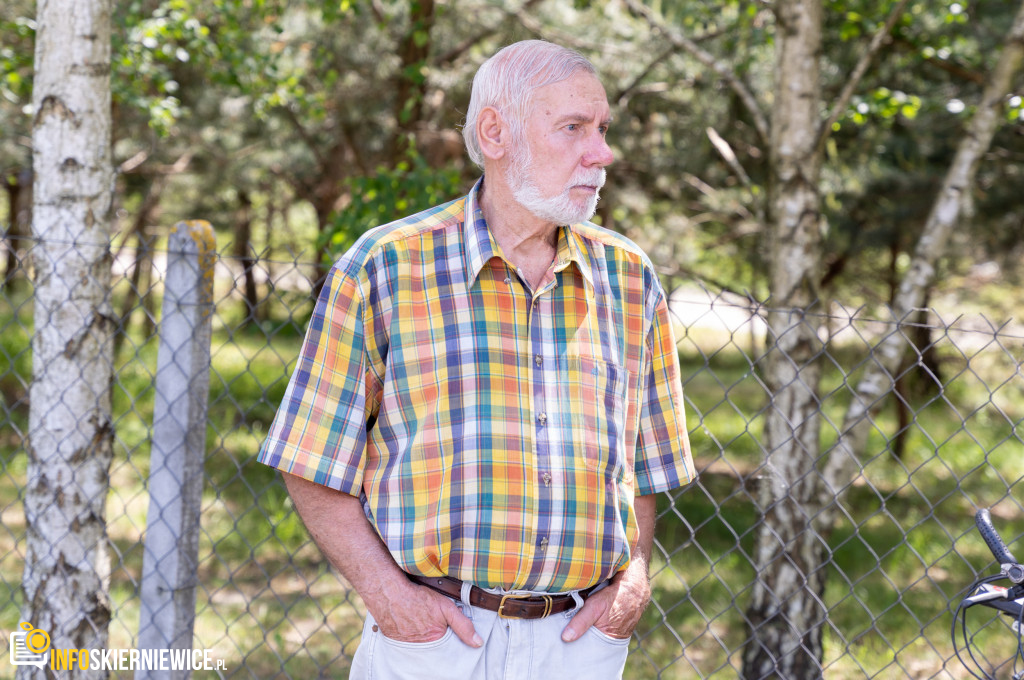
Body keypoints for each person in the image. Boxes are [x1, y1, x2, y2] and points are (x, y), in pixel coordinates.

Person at [258, 39, 695, 679]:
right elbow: (309, 462)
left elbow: (644, 468)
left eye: (601, 129)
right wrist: (390, 600)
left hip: (583, 646)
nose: (601, 153)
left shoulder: (630, 278)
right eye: (573, 128)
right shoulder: (384, 267)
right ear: (495, 132)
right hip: (434, 641)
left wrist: (632, 584)